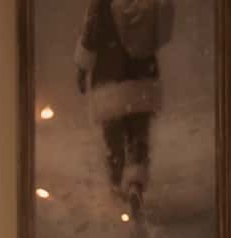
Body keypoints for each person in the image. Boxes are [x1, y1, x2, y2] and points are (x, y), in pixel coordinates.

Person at [75, 0, 175, 212]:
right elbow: (162, 29)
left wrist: (82, 69)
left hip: (109, 75)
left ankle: (117, 191)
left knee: (114, 142)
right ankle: (135, 185)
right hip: (143, 74)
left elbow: (91, 32)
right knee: (138, 136)